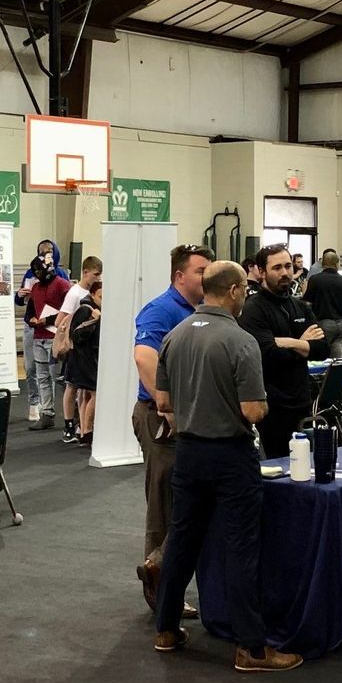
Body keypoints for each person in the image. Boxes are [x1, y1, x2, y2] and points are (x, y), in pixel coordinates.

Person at [150, 261, 302, 673]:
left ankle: (165, 629)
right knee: (241, 548)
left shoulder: (175, 335)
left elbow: (162, 403)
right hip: (230, 456)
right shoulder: (240, 341)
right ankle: (252, 648)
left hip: (189, 453)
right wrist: (263, 404)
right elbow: (253, 410)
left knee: (181, 540)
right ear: (234, 291)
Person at [133, 243, 214, 608]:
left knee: (193, 501)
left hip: (190, 419)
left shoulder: (202, 311)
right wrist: (168, 408)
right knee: (164, 506)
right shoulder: (161, 310)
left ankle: (167, 576)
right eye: (200, 271)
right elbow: (144, 357)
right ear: (179, 276)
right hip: (161, 420)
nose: (206, 276)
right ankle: (161, 588)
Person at [240, 244, 326, 459]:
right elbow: (267, 355)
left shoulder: (300, 306)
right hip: (272, 407)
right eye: (277, 268)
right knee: (280, 470)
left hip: (302, 401)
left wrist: (289, 343)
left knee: (305, 465)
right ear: (261, 271)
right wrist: (303, 344)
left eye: (288, 266)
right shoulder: (254, 309)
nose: (285, 272)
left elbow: (321, 349)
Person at [56, 255, 104, 445]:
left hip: (88, 351)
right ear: (85, 272)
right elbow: (61, 321)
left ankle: (84, 429)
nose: (98, 278)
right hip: (76, 350)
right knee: (72, 387)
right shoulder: (75, 294)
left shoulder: (93, 294)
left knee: (84, 391)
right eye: (96, 274)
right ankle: (69, 426)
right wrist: (82, 321)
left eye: (100, 275)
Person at [22, 256, 71, 431]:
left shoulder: (62, 285)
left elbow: (70, 311)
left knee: (59, 378)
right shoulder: (35, 288)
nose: (38, 274)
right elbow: (28, 313)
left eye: (40, 270)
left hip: (56, 338)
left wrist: (47, 320)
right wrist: (33, 320)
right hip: (39, 337)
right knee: (42, 376)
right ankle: (47, 413)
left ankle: (71, 415)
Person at [65, 278, 103, 449]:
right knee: (94, 394)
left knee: (86, 395)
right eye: (101, 296)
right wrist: (94, 321)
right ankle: (86, 431)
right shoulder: (86, 310)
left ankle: (84, 431)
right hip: (85, 359)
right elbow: (76, 336)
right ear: (93, 294)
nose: (104, 300)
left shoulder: (94, 308)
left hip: (88, 358)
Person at [304, 249, 342, 360]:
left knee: (319, 357)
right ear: (337, 264)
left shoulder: (315, 280)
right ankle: (335, 377)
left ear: (322, 264)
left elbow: (307, 305)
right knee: (336, 360)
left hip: (323, 324)